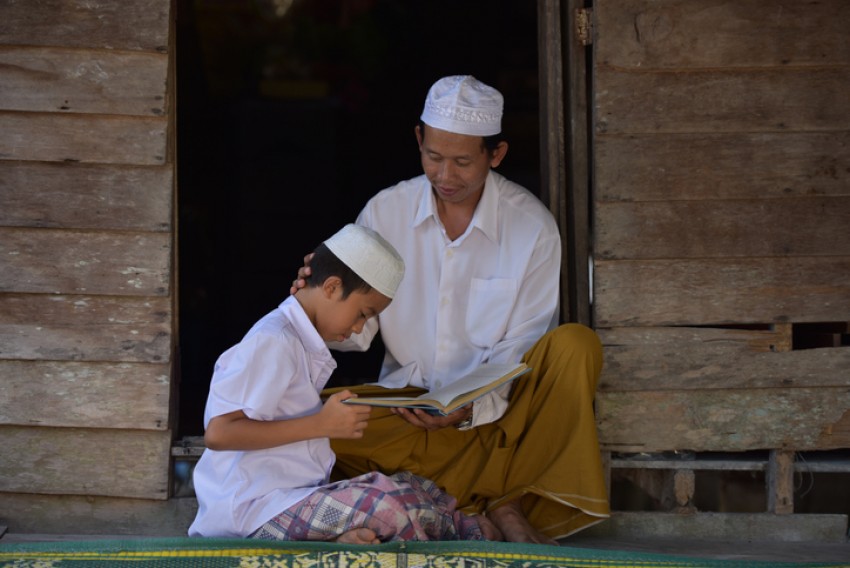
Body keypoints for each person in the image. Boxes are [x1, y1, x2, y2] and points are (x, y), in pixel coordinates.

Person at [292, 75, 609, 544]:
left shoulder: (532, 228)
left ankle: (454, 496)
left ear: (495, 155)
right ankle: (500, 499)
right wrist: (318, 306)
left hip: (498, 424)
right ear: (418, 139)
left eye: (463, 162)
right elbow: (358, 330)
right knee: (304, 423)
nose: (445, 176)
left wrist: (469, 409)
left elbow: (522, 347)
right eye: (434, 157)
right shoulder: (385, 213)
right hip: (404, 419)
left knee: (574, 346)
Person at [189, 223, 501, 543]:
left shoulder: (297, 341)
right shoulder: (275, 340)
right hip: (251, 515)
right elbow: (219, 432)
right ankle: (468, 534)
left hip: (290, 502)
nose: (357, 328)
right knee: (386, 503)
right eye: (362, 314)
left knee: (411, 486)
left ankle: (339, 540)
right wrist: (321, 424)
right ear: (332, 287)